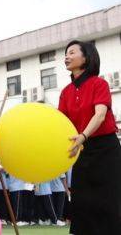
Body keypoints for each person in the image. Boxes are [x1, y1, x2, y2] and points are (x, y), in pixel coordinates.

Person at [59, 40, 120, 234]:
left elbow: (100, 115)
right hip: (81, 150)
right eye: (66, 53)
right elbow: (60, 124)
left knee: (109, 200)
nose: (66, 56)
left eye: (72, 52)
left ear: (86, 57)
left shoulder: (99, 83)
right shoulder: (65, 92)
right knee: (83, 202)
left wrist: (83, 135)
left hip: (106, 149)